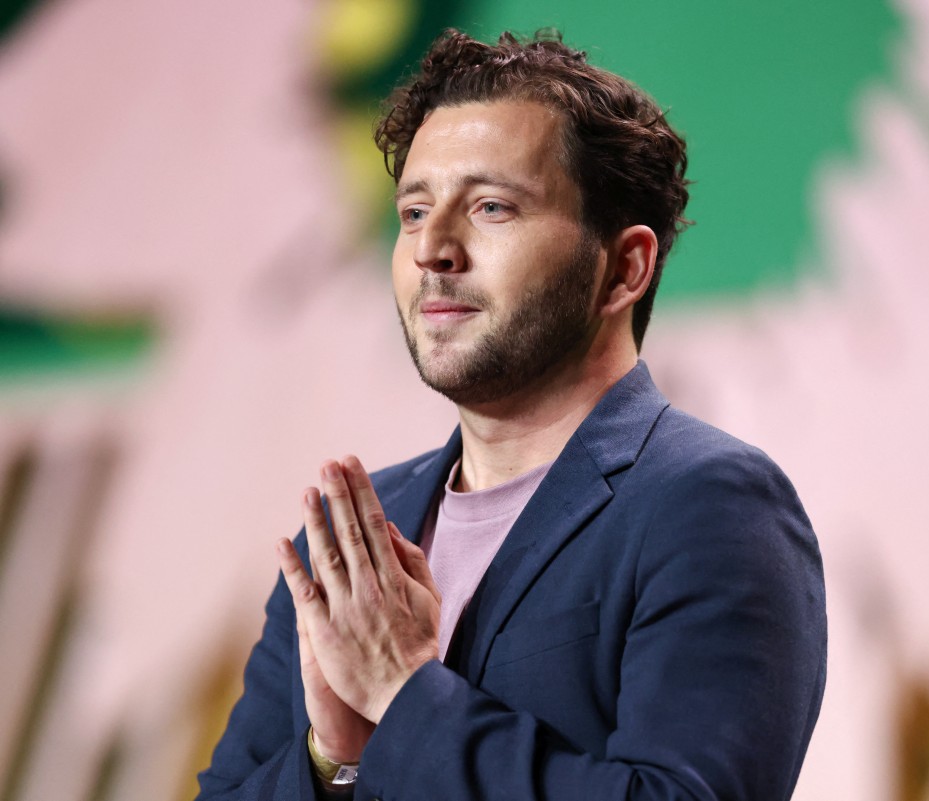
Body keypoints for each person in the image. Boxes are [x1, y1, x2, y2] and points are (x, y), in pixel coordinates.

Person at [196, 29, 826, 801]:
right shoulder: (355, 533)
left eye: (492, 207)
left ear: (623, 268)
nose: (433, 248)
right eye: (415, 210)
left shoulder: (710, 505)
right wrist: (335, 762)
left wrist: (403, 696)